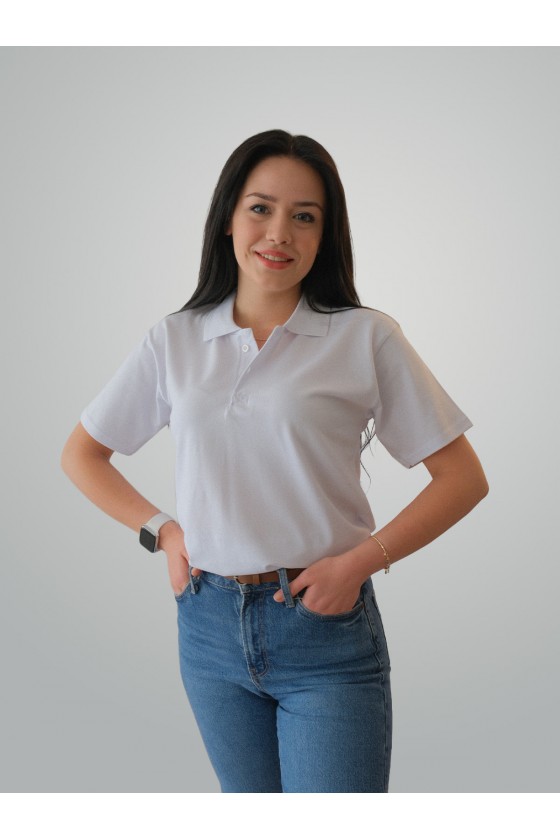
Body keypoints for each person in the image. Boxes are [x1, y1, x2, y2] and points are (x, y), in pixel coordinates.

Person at [61, 129, 489, 793]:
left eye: (304, 216)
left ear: (325, 235)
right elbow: (83, 454)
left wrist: (359, 563)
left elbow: (463, 479)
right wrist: (163, 532)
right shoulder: (175, 339)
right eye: (260, 208)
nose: (279, 233)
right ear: (228, 218)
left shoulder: (364, 336)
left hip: (323, 630)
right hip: (207, 629)